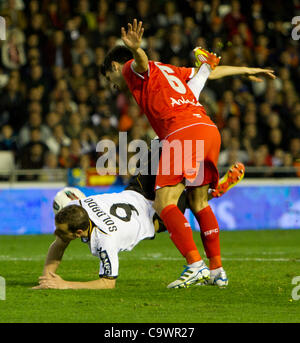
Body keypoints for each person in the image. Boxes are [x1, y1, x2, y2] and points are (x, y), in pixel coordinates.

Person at [101, 19, 275, 288]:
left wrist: (135, 49)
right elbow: (208, 73)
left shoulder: (130, 70)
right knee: (199, 202)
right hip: (207, 128)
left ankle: (195, 265)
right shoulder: (170, 71)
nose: (113, 85)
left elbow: (141, 63)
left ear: (114, 67)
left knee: (164, 202)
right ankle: (217, 271)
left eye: (109, 78)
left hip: (181, 132)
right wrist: (247, 69)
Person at [33, 158, 244, 290]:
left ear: (79, 232)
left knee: (191, 198)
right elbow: (59, 243)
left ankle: (210, 193)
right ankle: (208, 186)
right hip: (137, 192)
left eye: (61, 231)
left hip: (152, 213)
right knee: (164, 148)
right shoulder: (79, 204)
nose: (56, 234)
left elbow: (107, 283)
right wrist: (46, 277)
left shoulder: (104, 241)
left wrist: (64, 285)